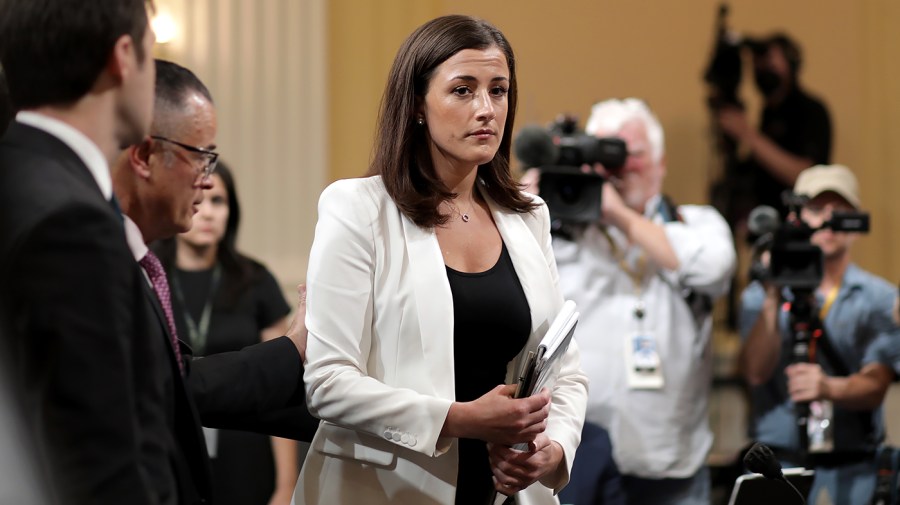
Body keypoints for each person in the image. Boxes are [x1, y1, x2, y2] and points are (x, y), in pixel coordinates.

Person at [293, 14, 588, 505]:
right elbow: (327, 383)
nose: (486, 109)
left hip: (505, 489)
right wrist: (458, 418)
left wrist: (553, 450)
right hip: (386, 490)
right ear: (416, 106)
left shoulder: (528, 216)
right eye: (463, 90)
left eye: (499, 90)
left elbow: (566, 371)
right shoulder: (358, 209)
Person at [111, 58, 319, 504]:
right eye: (201, 158)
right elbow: (172, 386)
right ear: (146, 155)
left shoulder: (246, 277)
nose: (207, 185)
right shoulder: (98, 254)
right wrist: (291, 351)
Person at [524, 98, 736, 505]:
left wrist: (617, 213)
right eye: (604, 153)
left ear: (661, 163)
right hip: (578, 459)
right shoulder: (560, 230)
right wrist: (524, 203)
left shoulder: (695, 222)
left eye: (629, 153)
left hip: (668, 465)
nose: (617, 168)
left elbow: (714, 268)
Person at [0, 1, 161, 502]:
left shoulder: (24, 175)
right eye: (153, 54)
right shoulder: (71, 223)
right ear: (124, 56)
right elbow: (99, 462)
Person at [738, 164, 900, 504]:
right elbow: (754, 371)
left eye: (838, 211)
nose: (827, 220)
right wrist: (772, 292)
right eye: (815, 209)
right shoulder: (760, 293)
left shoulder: (879, 298)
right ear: (796, 219)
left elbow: (877, 382)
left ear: (855, 222)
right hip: (778, 463)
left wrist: (829, 388)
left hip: (854, 465)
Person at [153, 161, 299, 505]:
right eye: (201, 199)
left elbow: (282, 382)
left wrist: (287, 483)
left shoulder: (256, 280)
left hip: (247, 455)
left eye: (219, 201)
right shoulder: (151, 276)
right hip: (173, 448)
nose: (208, 213)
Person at [716, 33, 832, 221]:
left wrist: (747, 134)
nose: (762, 69)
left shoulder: (811, 111)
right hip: (767, 225)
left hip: (800, 224)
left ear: (790, 64)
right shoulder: (767, 116)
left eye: (770, 62)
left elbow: (804, 176)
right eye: (757, 64)